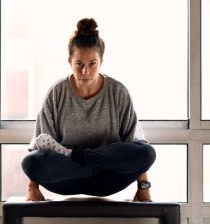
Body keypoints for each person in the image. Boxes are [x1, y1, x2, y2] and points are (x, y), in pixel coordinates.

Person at [21, 18, 156, 202]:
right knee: (31, 162)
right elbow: (41, 145)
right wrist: (32, 187)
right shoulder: (56, 93)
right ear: (70, 61)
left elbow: (134, 143)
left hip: (109, 177)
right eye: (79, 64)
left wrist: (143, 188)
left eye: (92, 63)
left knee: (146, 152)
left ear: (101, 61)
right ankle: (79, 159)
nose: (85, 72)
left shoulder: (118, 91)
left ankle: (80, 156)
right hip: (67, 178)